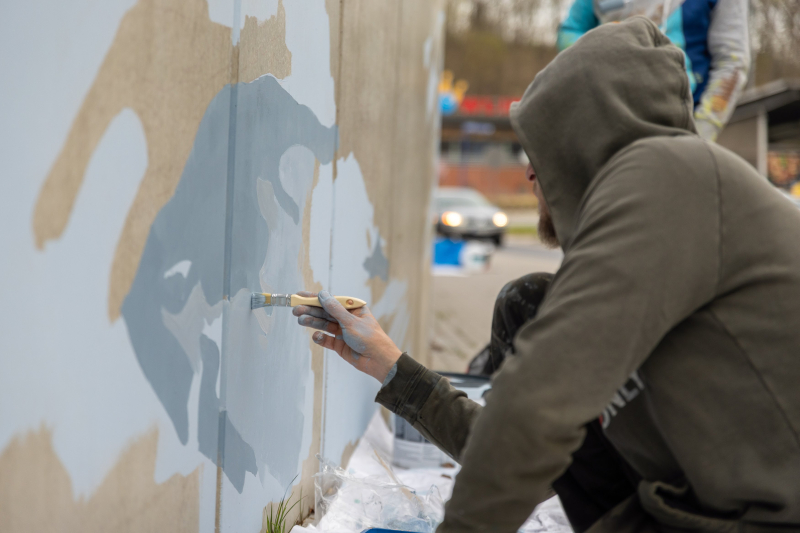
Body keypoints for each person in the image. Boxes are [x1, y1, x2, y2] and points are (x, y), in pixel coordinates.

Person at [294, 18, 800, 533]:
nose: (530, 173)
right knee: (530, 304)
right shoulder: (665, 214)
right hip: (699, 504)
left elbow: (532, 414)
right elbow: (518, 445)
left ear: (584, 145)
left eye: (542, 149)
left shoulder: (670, 176)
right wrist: (390, 367)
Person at [557, 0, 750, 142]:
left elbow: (731, 63)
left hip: (680, 126)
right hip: (606, 120)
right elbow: (570, 31)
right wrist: (603, 49)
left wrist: (700, 136)